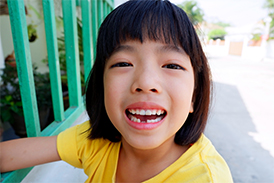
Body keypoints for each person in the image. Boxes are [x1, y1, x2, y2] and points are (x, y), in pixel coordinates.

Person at [0, 0, 233, 182]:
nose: (145, 82)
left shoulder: (205, 177)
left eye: (172, 65)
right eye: (123, 63)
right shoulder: (96, 141)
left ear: (194, 95)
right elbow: (10, 154)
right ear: (101, 87)